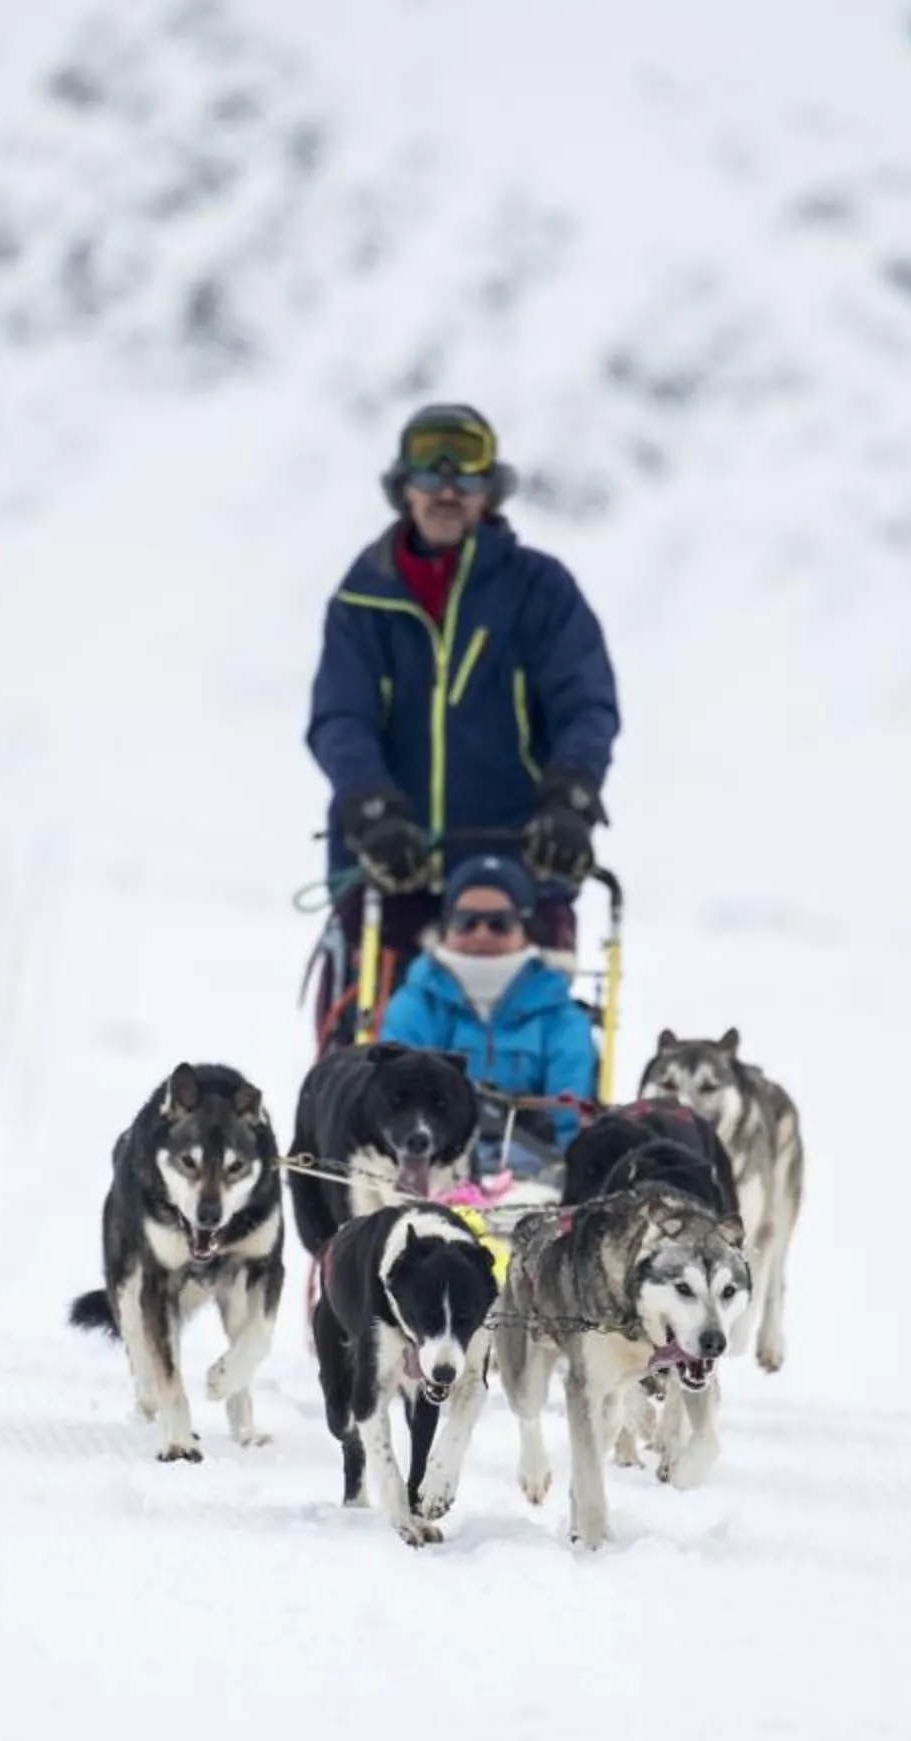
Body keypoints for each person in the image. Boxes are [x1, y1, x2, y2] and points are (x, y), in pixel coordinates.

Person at [307, 402, 621, 1045]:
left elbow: (585, 704)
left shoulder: (540, 591)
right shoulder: (363, 598)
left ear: (490, 492)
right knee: (366, 1049)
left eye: (467, 478)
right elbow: (341, 717)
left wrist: (571, 798)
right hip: (392, 865)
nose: (448, 491)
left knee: (533, 1046)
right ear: (405, 487)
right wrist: (371, 810)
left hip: (521, 859)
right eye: (431, 475)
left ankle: (546, 1135)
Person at [378, 855, 597, 1179]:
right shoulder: (415, 1005)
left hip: (537, 1176)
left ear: (525, 928)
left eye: (499, 923)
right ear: (447, 925)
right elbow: (395, 1101)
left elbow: (570, 1123)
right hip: (430, 1167)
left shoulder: (561, 1018)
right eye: (467, 921)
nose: (482, 933)